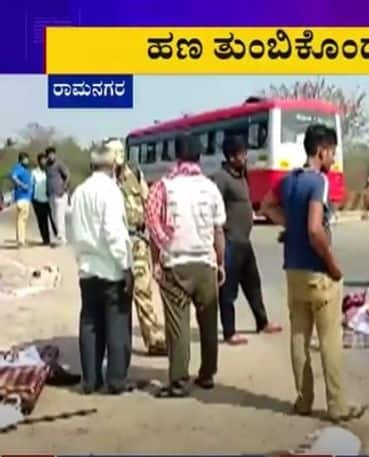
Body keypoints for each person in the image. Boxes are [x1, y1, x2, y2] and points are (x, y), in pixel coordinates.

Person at [260, 124, 365, 423]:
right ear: (322, 151)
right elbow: (315, 229)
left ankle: (304, 399)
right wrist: (333, 265)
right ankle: (336, 406)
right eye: (332, 152)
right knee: (330, 340)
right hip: (318, 273)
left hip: (293, 269)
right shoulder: (318, 181)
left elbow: (267, 205)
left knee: (298, 336)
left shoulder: (288, 180)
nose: (333, 158)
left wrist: (288, 226)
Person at [145, 133, 226, 397]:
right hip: (205, 264)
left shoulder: (163, 187)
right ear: (200, 156)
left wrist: (156, 262)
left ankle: (179, 381)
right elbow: (219, 233)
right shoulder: (210, 187)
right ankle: (207, 374)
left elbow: (154, 231)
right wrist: (220, 262)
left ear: (176, 156)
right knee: (208, 322)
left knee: (178, 327)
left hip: (175, 265)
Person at [69, 142, 134, 395]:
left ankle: (90, 379)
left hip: (87, 267)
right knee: (117, 323)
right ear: (114, 166)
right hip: (110, 268)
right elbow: (114, 233)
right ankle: (116, 380)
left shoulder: (80, 192)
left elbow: (74, 231)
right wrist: (126, 266)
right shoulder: (111, 192)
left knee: (90, 323)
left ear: (91, 166)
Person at [212, 135, 282, 346]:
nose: (245, 157)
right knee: (228, 290)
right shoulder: (220, 178)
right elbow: (215, 209)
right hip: (230, 241)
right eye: (241, 154)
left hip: (245, 241)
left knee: (253, 284)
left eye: (245, 153)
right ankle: (229, 332)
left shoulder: (243, 176)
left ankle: (262, 322)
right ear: (231, 156)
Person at [109, 139, 168, 356]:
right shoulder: (102, 180)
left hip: (136, 241)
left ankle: (154, 339)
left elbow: (147, 200)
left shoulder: (134, 173)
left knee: (143, 290)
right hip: (113, 244)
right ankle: (117, 343)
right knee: (116, 295)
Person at [45, 146, 71, 246]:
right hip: (51, 194)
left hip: (60, 193)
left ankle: (61, 235)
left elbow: (68, 176)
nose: (51, 156)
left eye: (52, 154)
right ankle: (62, 237)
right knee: (54, 216)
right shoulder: (47, 166)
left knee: (59, 215)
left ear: (54, 154)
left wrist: (64, 188)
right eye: (49, 155)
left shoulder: (59, 164)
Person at [31, 153, 57, 245]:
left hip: (49, 199)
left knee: (54, 219)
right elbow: (31, 185)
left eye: (45, 160)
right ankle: (46, 240)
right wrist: (31, 199)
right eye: (41, 160)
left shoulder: (50, 171)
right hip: (38, 200)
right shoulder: (34, 172)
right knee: (42, 221)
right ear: (38, 161)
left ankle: (58, 237)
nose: (43, 161)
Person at [10, 152, 33, 247]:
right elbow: (13, 176)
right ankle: (20, 240)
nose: (27, 161)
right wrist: (21, 185)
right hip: (21, 196)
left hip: (26, 197)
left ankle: (21, 239)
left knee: (23, 219)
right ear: (21, 159)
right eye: (26, 159)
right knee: (21, 219)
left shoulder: (25, 169)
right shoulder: (18, 168)